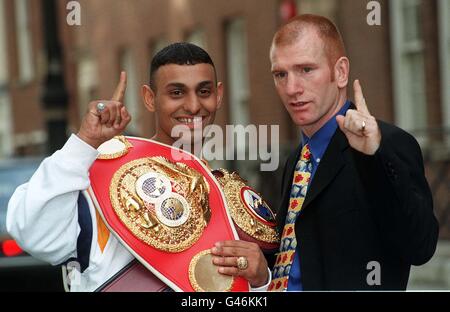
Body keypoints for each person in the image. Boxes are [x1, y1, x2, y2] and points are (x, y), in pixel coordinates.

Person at [7, 43, 270, 291]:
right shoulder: (101, 177)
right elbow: (32, 232)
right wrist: (85, 142)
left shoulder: (227, 191)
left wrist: (261, 280)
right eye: (176, 92)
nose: (193, 105)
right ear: (149, 98)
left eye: (204, 91)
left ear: (219, 95)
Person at [268, 14, 439, 291]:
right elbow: (299, 259)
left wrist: (374, 157)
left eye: (306, 70)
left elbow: (420, 247)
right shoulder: (297, 159)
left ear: (341, 72)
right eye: (280, 74)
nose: (291, 88)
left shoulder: (388, 144)